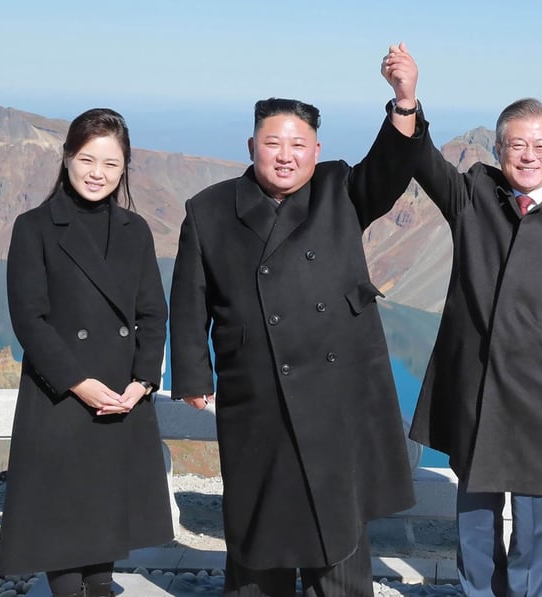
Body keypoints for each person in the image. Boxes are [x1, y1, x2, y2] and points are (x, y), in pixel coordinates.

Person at [168, 44, 423, 597]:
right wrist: (192, 372)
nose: (286, 156)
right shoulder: (208, 209)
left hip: (340, 391)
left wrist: (404, 100)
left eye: (298, 145)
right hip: (256, 388)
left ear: (316, 151)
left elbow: (391, 167)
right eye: (273, 143)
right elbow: (190, 297)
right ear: (251, 146)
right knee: (263, 518)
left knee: (339, 523)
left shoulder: (340, 189)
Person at [407, 95, 542, 596]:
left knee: (538, 519)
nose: (528, 154)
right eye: (517, 144)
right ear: (498, 148)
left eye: (540, 144)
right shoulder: (473, 196)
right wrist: (407, 102)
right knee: (476, 515)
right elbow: (423, 160)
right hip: (475, 388)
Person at [0, 108, 172, 597]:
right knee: (64, 523)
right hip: (61, 394)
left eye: (111, 164)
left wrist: (142, 381)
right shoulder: (34, 227)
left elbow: (152, 314)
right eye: (87, 159)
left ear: (125, 168)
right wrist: (79, 382)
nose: (98, 173)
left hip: (121, 394)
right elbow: (29, 319)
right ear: (68, 157)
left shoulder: (136, 231)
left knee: (104, 517)